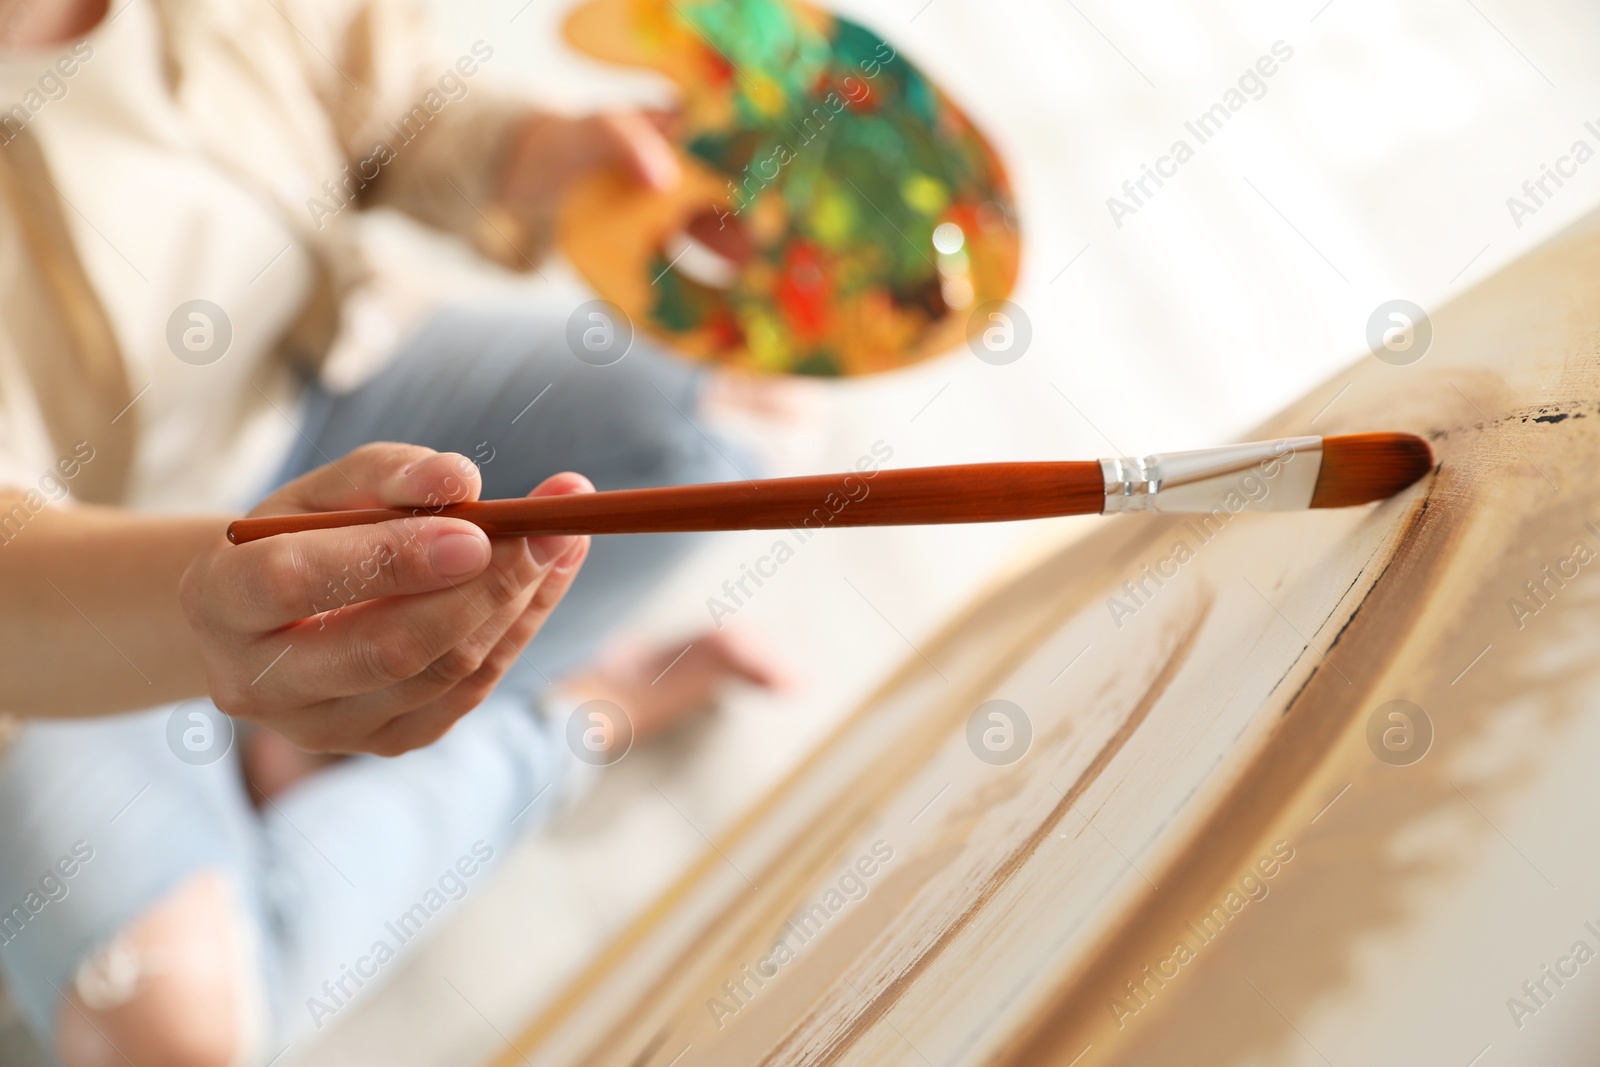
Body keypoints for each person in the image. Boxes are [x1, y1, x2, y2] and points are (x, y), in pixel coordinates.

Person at [0, 0, 788, 1063]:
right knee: (172, 1042)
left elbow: (382, 91)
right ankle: (570, 720)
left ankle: (309, 726)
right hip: (55, 631)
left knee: (742, 403)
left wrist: (537, 160)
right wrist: (224, 611)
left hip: (312, 392)